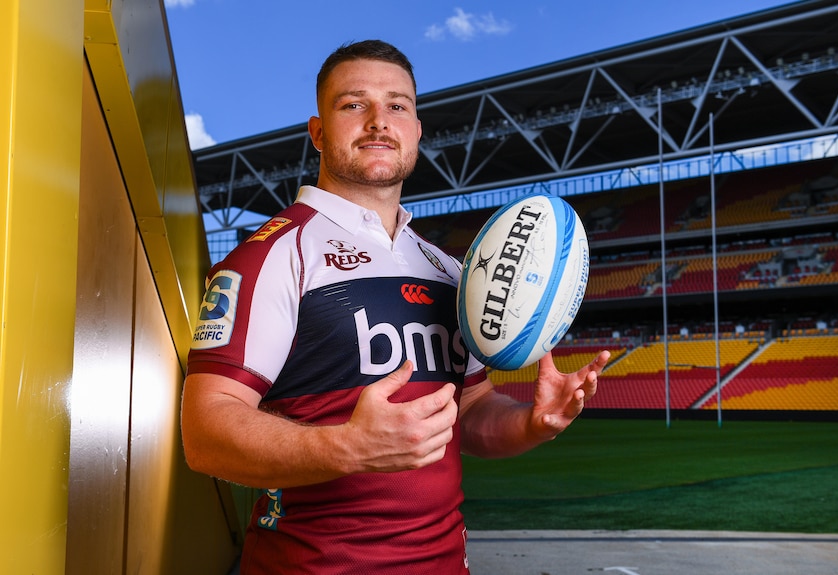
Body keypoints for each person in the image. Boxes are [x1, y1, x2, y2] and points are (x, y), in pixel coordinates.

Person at [181, 39, 610, 574]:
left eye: (397, 106)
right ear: (318, 132)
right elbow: (205, 432)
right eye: (354, 104)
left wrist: (533, 423)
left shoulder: (451, 271)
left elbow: (471, 414)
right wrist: (347, 447)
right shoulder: (272, 254)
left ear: (417, 129)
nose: (379, 121)